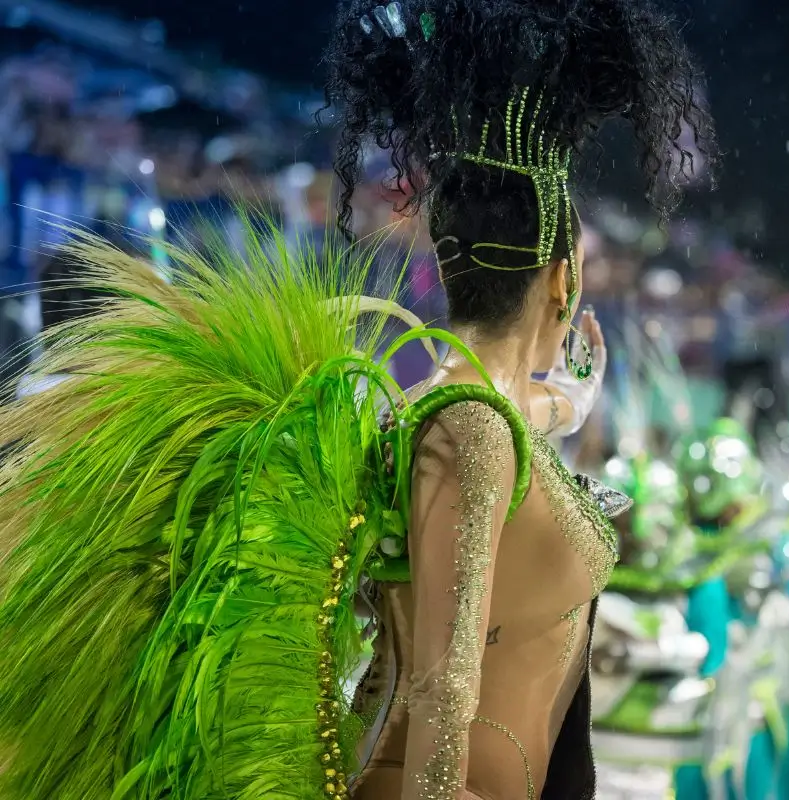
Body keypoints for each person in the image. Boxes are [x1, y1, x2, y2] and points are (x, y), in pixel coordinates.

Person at [0, 1, 714, 798]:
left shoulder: (469, 418)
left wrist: (562, 407)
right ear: (562, 280)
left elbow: (496, 430)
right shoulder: (470, 431)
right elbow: (444, 701)